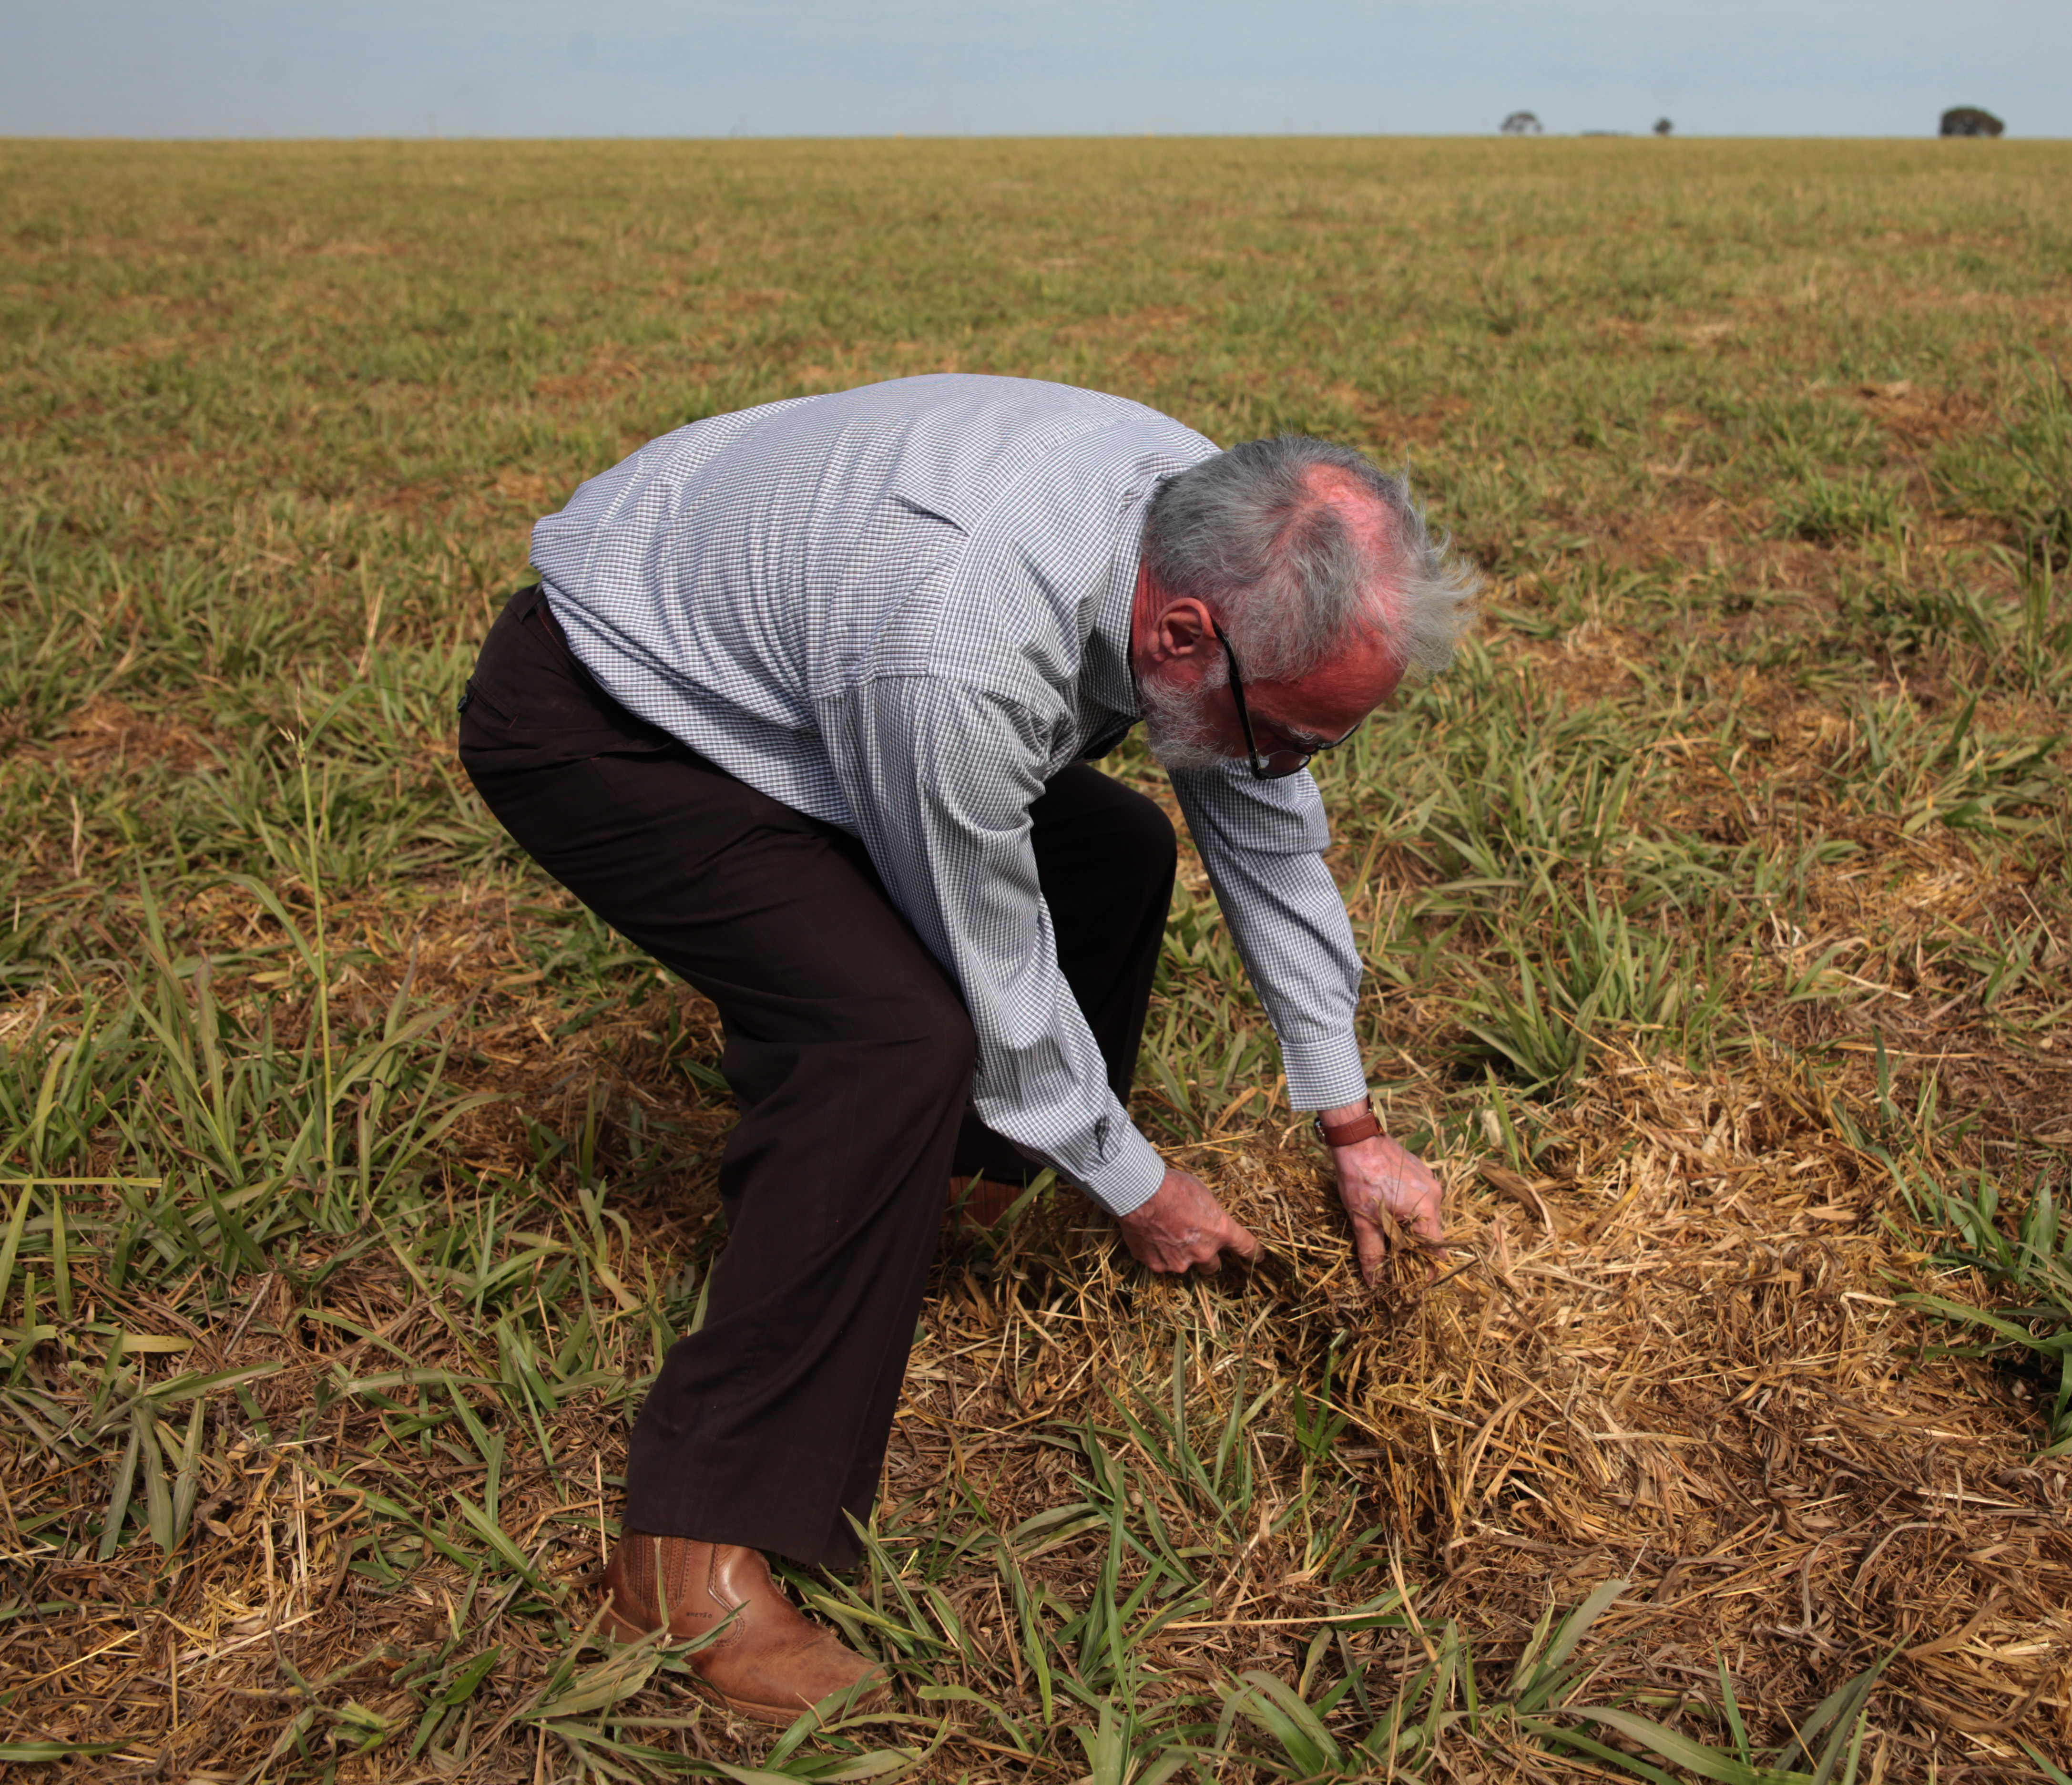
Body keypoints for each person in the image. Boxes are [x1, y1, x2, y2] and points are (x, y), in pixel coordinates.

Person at [456, 373, 1474, 1724]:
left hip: (795, 665)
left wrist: (1352, 1127)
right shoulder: (957, 639)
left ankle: (940, 1202)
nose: (1287, 770)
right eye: (1285, 735)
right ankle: (683, 1556)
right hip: (612, 717)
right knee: (884, 1040)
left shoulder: (1220, 534)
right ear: (1181, 633)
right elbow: (991, 962)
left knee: (1111, 854)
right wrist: (1140, 1188)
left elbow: (1268, 837)